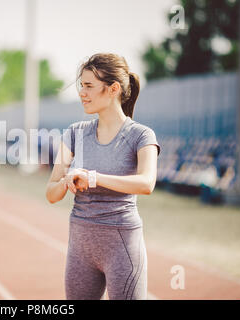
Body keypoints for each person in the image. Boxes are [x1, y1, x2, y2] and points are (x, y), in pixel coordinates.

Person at [45, 53, 160, 300]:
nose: (81, 93)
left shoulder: (141, 135)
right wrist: (66, 181)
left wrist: (93, 178)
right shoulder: (75, 133)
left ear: (113, 89)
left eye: (89, 86)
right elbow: (51, 193)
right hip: (80, 247)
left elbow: (146, 183)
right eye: (81, 86)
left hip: (122, 247)